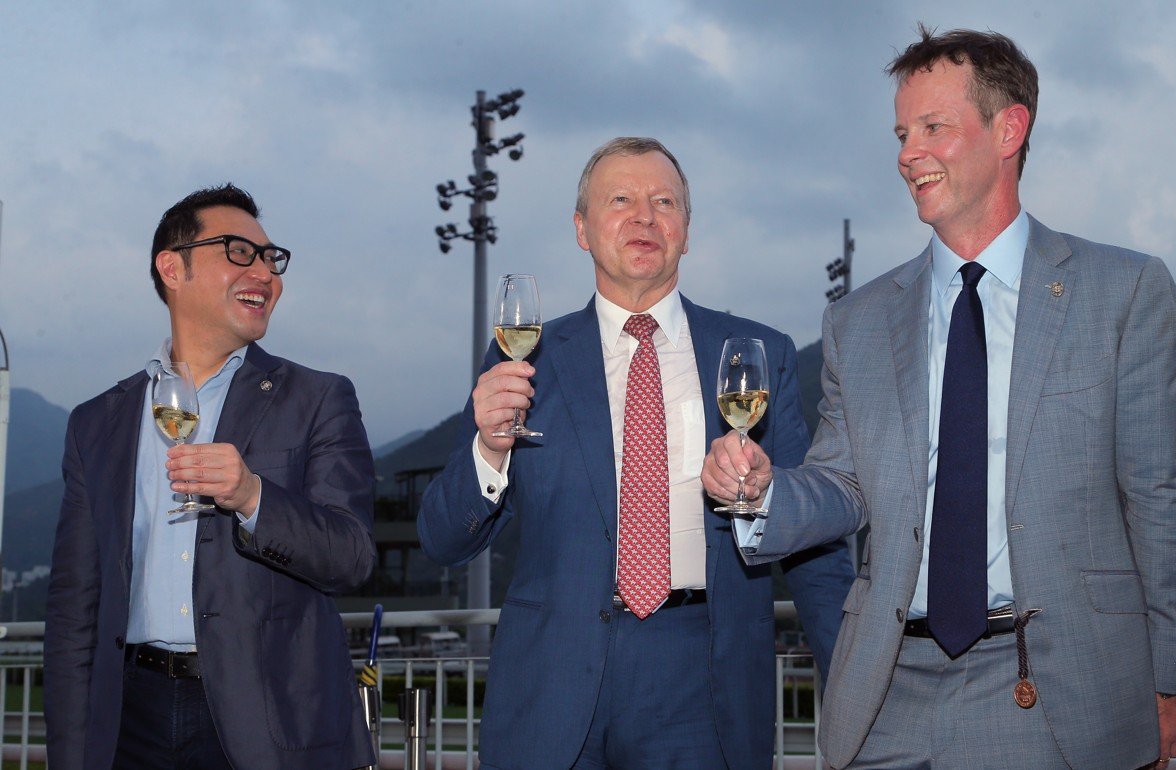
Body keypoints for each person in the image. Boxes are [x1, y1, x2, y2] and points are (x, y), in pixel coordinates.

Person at [704, 27, 1176, 770]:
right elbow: (843, 484)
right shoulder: (857, 321)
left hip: (1055, 687)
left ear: (1010, 128)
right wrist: (760, 492)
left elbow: (1163, 496)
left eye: (934, 127)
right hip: (886, 697)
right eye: (902, 133)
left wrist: (1171, 678)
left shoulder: (1123, 292)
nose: (909, 153)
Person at [417, 137, 854, 770]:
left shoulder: (758, 355)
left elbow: (812, 537)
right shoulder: (524, 360)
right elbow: (442, 539)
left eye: (664, 201)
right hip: (553, 681)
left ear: (686, 231)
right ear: (581, 230)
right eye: (620, 199)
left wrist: (851, 674)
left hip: (705, 682)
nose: (644, 216)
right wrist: (489, 448)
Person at [44, 184, 377, 770]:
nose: (265, 273)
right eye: (239, 251)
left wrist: (252, 495)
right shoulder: (97, 422)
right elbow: (75, 609)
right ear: (172, 267)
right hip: (128, 720)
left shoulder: (319, 397)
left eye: (271, 258)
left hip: (265, 724)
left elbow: (350, 556)